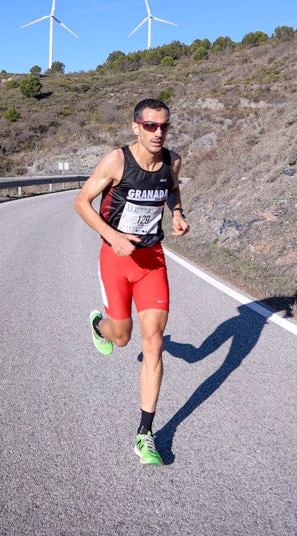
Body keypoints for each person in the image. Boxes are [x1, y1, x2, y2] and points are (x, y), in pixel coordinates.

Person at [73, 98, 189, 465]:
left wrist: (179, 213)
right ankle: (99, 325)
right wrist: (113, 237)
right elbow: (81, 202)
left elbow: (172, 188)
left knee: (153, 343)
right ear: (136, 126)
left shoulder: (172, 161)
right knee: (122, 337)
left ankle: (145, 434)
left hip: (152, 261)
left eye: (165, 126)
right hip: (116, 259)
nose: (159, 133)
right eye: (151, 126)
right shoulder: (116, 161)